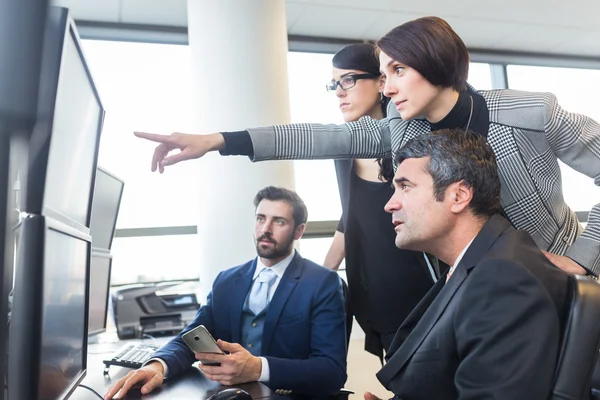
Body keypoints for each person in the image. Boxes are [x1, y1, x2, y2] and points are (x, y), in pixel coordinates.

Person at [133, 16, 600, 278]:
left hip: (558, 276)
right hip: (473, 283)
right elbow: (318, 136)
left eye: (397, 70)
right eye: (382, 72)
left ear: (436, 62)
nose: (387, 86)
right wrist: (218, 140)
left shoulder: (530, 113)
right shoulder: (402, 131)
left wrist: (581, 257)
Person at [364, 129, 568, 400]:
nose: (390, 204)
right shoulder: (475, 266)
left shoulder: (503, 279)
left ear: (459, 196)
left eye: (405, 187)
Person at [104, 187, 347, 399]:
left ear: (298, 231)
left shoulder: (322, 283)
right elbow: (191, 337)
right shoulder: (227, 281)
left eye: (279, 222)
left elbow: (331, 372)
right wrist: (157, 366)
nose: (266, 229)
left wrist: (258, 368)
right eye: (260, 219)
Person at [324, 43, 435, 361]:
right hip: (374, 298)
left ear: (381, 82)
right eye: (335, 84)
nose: (339, 92)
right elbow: (352, 215)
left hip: (424, 293)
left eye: (348, 80)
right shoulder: (344, 151)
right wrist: (320, 274)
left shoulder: (415, 143)